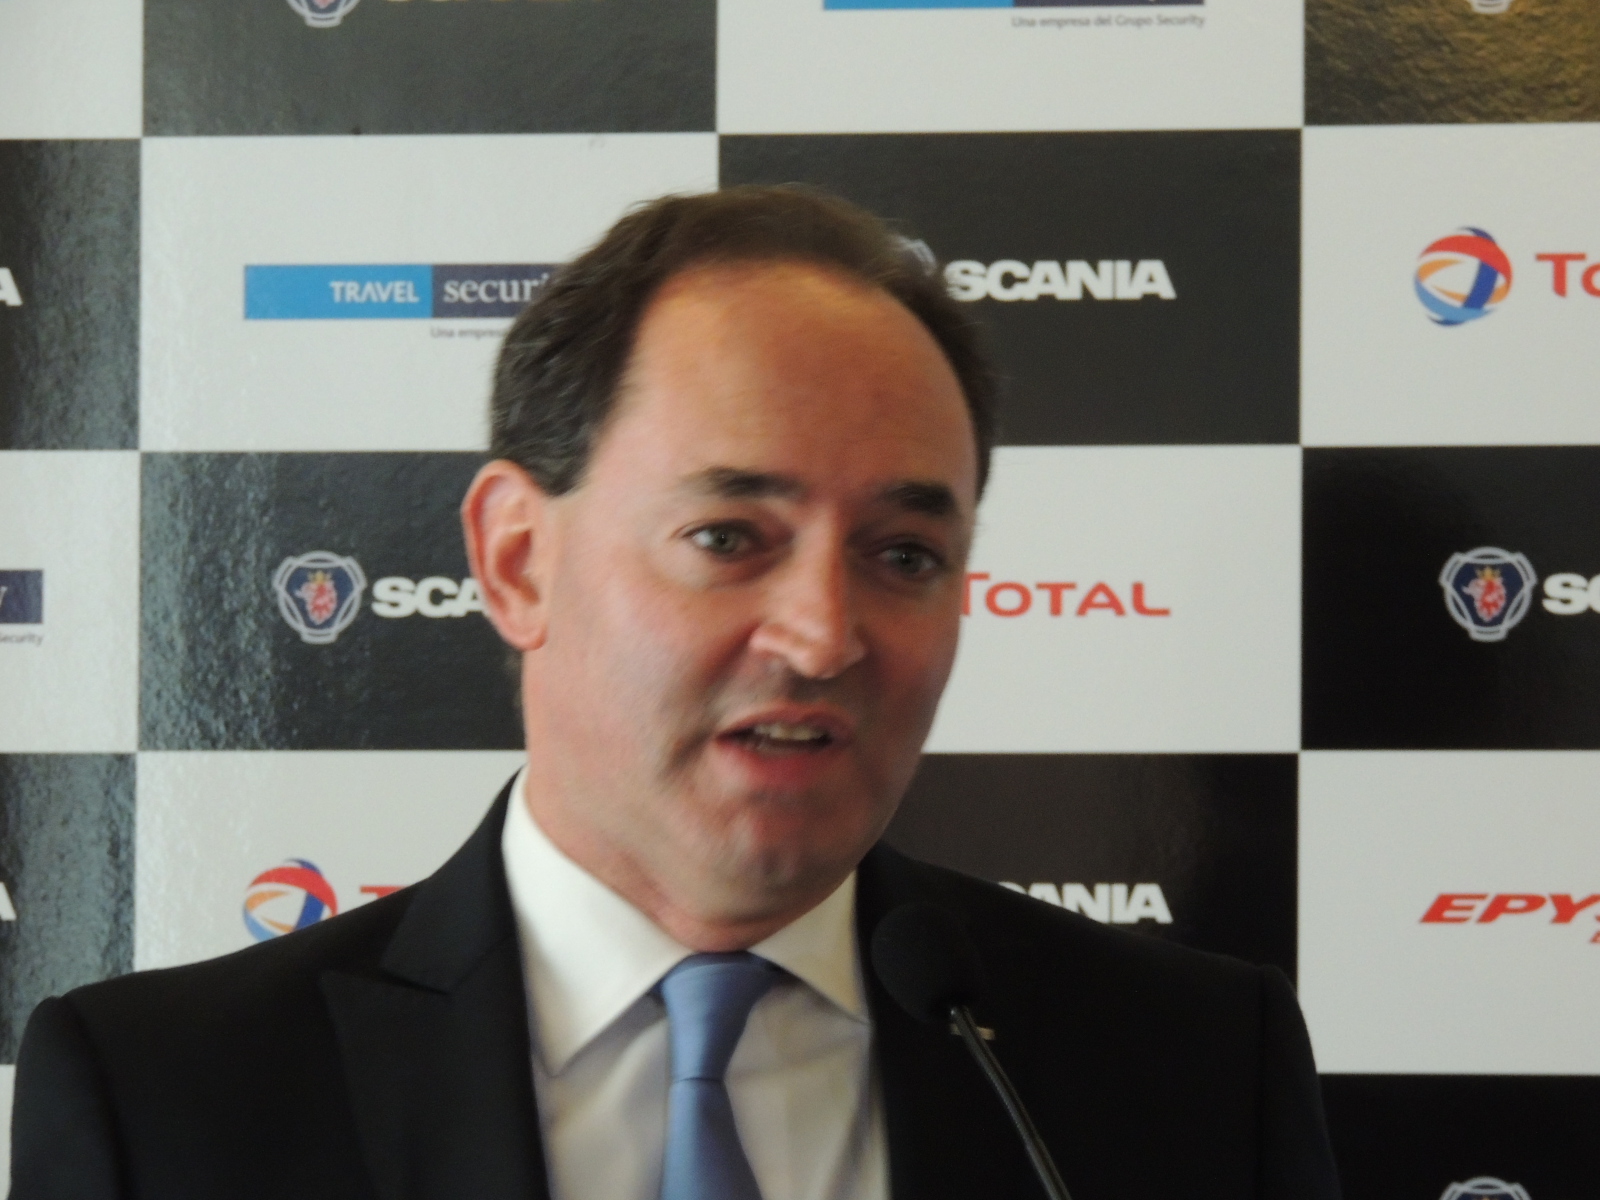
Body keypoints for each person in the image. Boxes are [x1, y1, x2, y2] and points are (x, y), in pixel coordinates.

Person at [11, 187, 1340, 1200]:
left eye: (903, 556)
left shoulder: (1192, 1071)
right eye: (728, 536)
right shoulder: (166, 1101)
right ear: (516, 560)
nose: (823, 636)